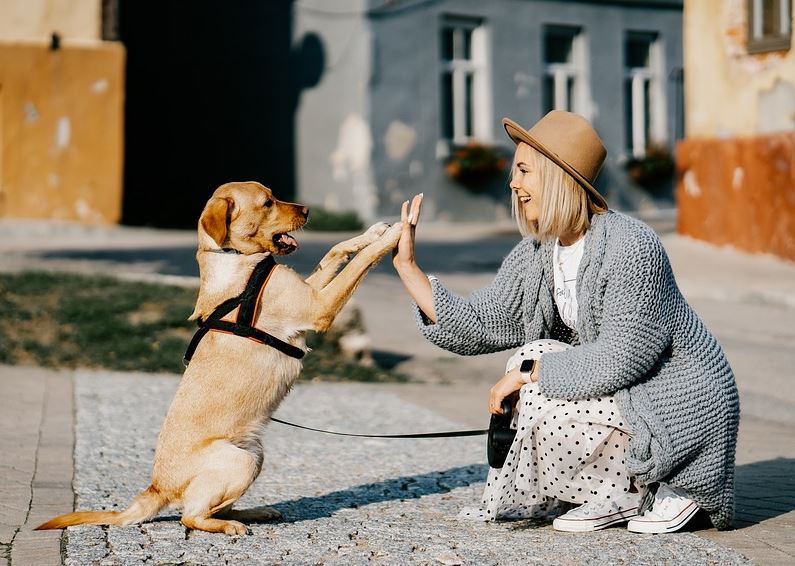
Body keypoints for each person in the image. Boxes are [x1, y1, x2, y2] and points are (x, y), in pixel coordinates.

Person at [391, 111, 739, 533]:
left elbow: (621, 358)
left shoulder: (631, 246)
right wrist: (409, 269)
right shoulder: (539, 251)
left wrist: (527, 376)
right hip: (628, 394)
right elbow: (484, 321)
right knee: (531, 356)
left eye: (523, 171)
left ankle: (654, 485)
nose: (513, 183)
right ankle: (612, 491)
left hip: (679, 401)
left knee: (533, 373)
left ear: (557, 176)